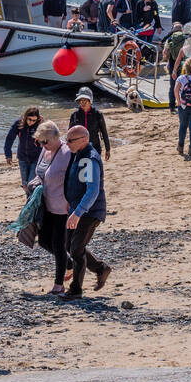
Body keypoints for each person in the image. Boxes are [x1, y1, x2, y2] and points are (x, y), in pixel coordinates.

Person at [60, 125, 112, 299]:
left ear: (84, 140)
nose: (66, 143)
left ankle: (76, 290)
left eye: (70, 140)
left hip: (89, 211)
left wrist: (78, 212)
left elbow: (92, 191)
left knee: (76, 249)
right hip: (77, 208)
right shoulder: (78, 155)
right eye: (66, 139)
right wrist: (71, 204)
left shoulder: (90, 159)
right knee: (69, 245)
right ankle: (100, 268)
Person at [30, 120, 73, 295]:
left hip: (62, 207)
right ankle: (70, 263)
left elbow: (75, 179)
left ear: (56, 137)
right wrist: (31, 185)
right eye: (40, 142)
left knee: (58, 244)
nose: (42, 144)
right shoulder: (45, 150)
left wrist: (74, 202)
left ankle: (58, 285)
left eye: (45, 141)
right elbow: (40, 175)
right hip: (45, 205)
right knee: (43, 241)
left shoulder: (67, 152)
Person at [4, 105, 42, 185]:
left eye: (34, 120)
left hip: (36, 158)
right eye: (29, 119)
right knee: (24, 184)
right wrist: (8, 155)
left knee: (31, 183)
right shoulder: (18, 124)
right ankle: (29, 197)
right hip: (22, 158)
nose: (31, 122)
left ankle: (31, 197)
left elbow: (46, 140)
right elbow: (9, 139)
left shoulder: (40, 125)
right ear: (25, 117)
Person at [69, 86, 111, 159]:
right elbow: (70, 134)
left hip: (94, 147)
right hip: (79, 149)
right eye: (80, 101)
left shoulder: (98, 114)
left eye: (85, 100)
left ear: (90, 100)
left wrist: (108, 149)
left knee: (95, 168)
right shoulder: (74, 115)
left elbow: (104, 132)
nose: (82, 103)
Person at [174, 57, 191, 156]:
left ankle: (180, 147)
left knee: (183, 126)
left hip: (183, 106)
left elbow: (176, 90)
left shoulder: (181, 78)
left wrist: (179, 101)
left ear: (185, 67)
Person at [164, 22, 190, 112]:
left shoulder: (170, 38)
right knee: (184, 84)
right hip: (183, 64)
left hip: (172, 63)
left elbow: (165, 52)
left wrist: (167, 58)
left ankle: (171, 106)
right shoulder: (186, 38)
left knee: (173, 85)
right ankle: (183, 104)